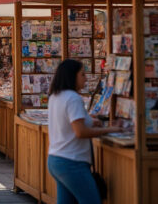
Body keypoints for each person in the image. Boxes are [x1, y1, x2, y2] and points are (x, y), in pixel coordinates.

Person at [47, 59, 121, 204]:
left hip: (56, 159)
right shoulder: (73, 98)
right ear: (72, 76)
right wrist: (110, 129)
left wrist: (91, 121)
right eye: (82, 74)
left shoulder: (55, 96)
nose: (86, 78)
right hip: (72, 162)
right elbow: (80, 132)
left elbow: (68, 122)